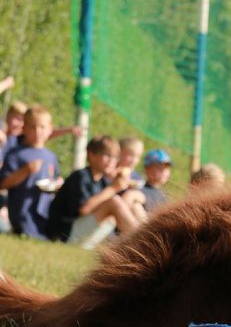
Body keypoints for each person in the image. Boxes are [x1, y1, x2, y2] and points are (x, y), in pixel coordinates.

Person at [47, 136, 143, 249]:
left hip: (83, 235)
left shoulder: (102, 180)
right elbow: (84, 209)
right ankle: (142, 242)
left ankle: (149, 239)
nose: (112, 162)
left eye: (115, 157)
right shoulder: (80, 176)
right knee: (115, 202)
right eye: (107, 156)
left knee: (133, 205)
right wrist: (113, 188)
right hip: (64, 235)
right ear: (92, 155)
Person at [0, 105, 62, 239]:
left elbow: (55, 178)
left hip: (43, 209)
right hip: (22, 210)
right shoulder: (16, 154)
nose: (38, 131)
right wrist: (25, 171)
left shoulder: (51, 157)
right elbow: (3, 183)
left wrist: (58, 184)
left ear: (50, 129)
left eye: (42, 127)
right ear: (24, 128)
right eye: (33, 127)